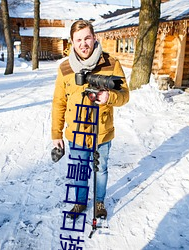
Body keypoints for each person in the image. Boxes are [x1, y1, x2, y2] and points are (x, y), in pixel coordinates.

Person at [51, 20, 129, 219]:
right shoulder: (65, 68)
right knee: (79, 170)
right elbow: (59, 102)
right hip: (75, 133)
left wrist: (109, 97)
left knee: (100, 169)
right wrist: (56, 134)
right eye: (78, 40)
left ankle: (99, 202)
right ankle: (79, 203)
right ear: (72, 42)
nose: (83, 43)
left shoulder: (111, 63)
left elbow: (125, 95)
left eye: (87, 38)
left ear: (94, 38)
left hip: (102, 131)